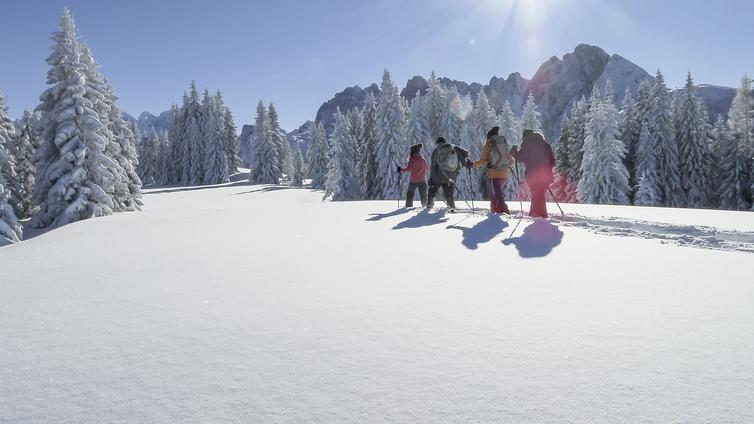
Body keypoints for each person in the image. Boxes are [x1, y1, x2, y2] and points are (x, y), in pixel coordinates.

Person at [465, 126, 512, 214]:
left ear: (489, 136)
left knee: (495, 194)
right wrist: (504, 165)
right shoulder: (504, 143)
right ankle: (496, 211)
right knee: (497, 192)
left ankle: (500, 211)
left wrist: (472, 165)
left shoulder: (489, 143)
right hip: (505, 173)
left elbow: (482, 161)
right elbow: (511, 161)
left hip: (494, 174)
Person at [510, 129, 555, 218]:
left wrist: (514, 152)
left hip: (533, 175)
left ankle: (538, 215)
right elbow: (553, 161)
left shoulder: (527, 144)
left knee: (536, 193)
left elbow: (520, 158)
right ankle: (538, 214)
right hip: (546, 175)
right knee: (539, 193)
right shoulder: (546, 145)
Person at [427, 137, 469, 212]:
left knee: (432, 192)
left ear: (437, 143)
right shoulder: (452, 149)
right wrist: (454, 174)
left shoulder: (436, 151)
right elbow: (459, 164)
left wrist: (431, 178)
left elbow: (433, 166)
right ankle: (451, 207)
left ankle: (429, 206)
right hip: (449, 177)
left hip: (437, 177)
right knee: (449, 194)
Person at [397, 143, 429, 208]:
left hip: (413, 181)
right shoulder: (422, 160)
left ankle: (408, 206)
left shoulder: (412, 159)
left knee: (410, 195)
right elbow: (427, 168)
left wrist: (401, 170)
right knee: (423, 196)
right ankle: (425, 206)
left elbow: (409, 169)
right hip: (422, 181)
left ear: (413, 151)